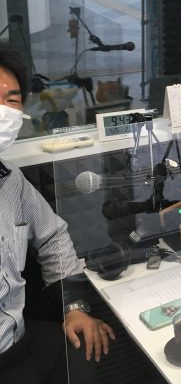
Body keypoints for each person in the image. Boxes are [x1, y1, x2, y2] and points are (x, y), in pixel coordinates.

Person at [0, 43, 115, 383]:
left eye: (11, 101)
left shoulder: (11, 181)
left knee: (86, 346)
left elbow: (52, 236)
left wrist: (73, 306)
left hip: (18, 341)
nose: (3, 111)